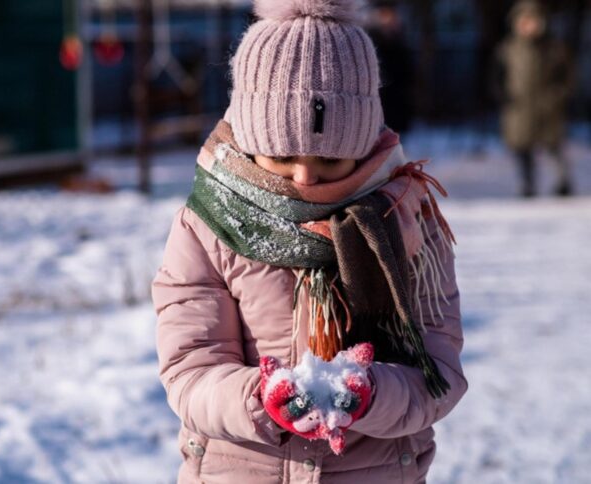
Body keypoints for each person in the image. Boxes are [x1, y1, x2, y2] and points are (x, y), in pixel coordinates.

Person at [151, 0, 468, 482]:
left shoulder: (406, 220)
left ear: (364, 144)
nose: (304, 177)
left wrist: (372, 393)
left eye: (330, 160)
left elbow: (438, 372)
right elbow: (190, 368)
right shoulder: (207, 227)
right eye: (281, 157)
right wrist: (258, 399)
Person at [495, 0, 576, 197]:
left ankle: (563, 182)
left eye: (532, 21)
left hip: (547, 106)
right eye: (524, 21)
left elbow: (567, 76)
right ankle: (527, 185)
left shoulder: (554, 48)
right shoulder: (508, 49)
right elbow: (496, 77)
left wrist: (557, 95)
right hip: (519, 108)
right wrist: (504, 96)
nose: (528, 26)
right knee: (522, 149)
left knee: (554, 146)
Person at [368, 0, 415, 135]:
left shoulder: (399, 39)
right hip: (379, 98)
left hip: (397, 98)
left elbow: (407, 70)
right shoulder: (371, 38)